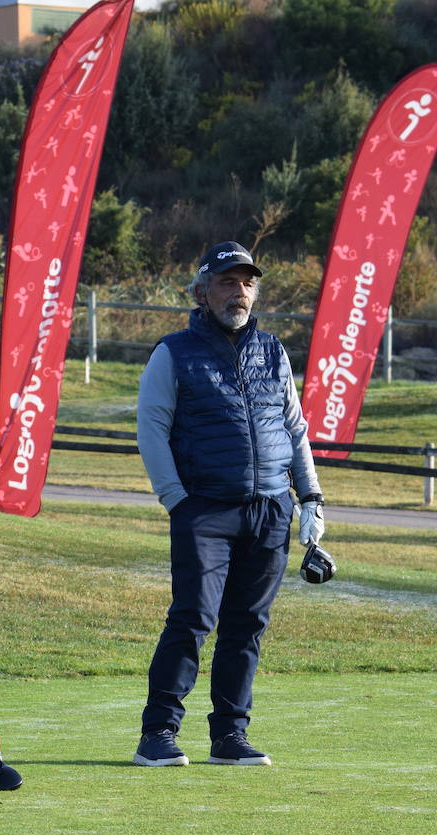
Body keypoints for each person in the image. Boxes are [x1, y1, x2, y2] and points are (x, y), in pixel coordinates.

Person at [133, 241, 325, 768]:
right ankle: (158, 733)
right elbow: (151, 428)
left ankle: (229, 737)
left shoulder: (273, 351)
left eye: (246, 282)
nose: (238, 291)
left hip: (270, 508)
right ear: (201, 292)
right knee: (193, 617)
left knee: (247, 625)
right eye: (226, 282)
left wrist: (310, 496)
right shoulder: (173, 351)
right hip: (205, 508)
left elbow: (294, 427)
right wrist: (176, 498)